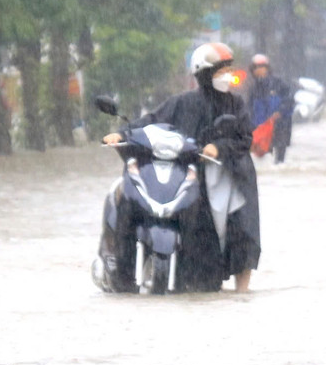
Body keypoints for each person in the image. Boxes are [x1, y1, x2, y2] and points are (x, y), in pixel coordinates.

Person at [102, 42, 261, 293]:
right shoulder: (182, 102)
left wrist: (218, 147)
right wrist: (121, 135)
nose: (226, 75)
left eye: (228, 69)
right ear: (205, 74)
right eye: (221, 70)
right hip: (191, 174)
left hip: (229, 175)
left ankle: (241, 293)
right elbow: (152, 121)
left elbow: (245, 138)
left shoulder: (235, 105)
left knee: (241, 230)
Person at [248, 53, 296, 164]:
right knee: (259, 157)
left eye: (262, 67)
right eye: (256, 68)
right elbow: (249, 109)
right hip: (261, 127)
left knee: (279, 158)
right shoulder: (253, 88)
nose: (259, 70)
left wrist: (280, 112)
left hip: (280, 126)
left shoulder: (279, 83)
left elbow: (289, 100)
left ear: (267, 68)